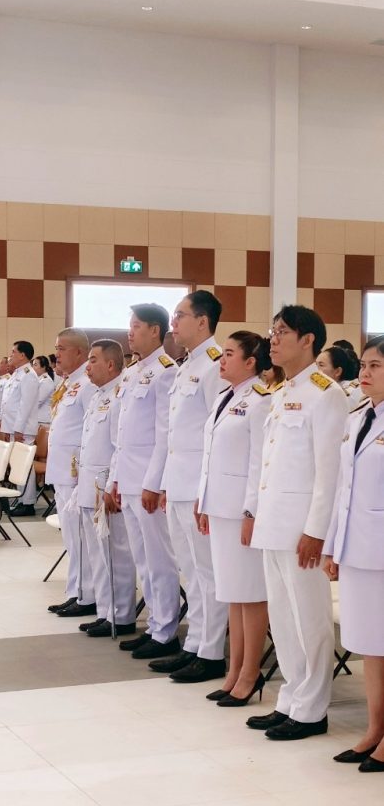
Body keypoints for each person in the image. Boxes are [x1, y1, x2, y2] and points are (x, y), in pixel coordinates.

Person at [247, 305, 348, 741]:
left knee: (310, 619)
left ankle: (312, 709)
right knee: (283, 618)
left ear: (308, 340)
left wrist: (316, 531)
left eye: (283, 332)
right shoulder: (282, 391)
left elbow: (329, 472)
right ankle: (291, 699)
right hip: (274, 522)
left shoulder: (326, 394)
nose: (273, 339)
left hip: (301, 528)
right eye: (272, 331)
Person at [150, 290, 229, 684]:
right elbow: (173, 435)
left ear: (202, 321)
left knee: (207, 572)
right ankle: (194, 644)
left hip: (199, 486)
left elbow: (217, 435)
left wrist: (206, 490)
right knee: (190, 570)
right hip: (179, 483)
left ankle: (211, 652)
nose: (173, 323)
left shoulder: (215, 365)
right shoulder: (186, 365)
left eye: (180, 315)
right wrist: (166, 483)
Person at [197, 331, 270, 706]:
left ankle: (250, 672)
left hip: (242, 511)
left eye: (228, 354)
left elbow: (259, 463)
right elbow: (211, 455)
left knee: (251, 594)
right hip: (220, 507)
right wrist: (203, 498)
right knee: (232, 594)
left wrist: (251, 511)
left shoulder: (260, 400)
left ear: (250, 361)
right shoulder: (225, 396)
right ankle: (234, 670)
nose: (221, 361)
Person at [106, 303, 181, 660]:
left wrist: (154, 483)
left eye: (136, 326)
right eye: (130, 325)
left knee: (159, 559)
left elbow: (164, 434)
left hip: (149, 482)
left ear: (155, 330)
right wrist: (116, 479)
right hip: (129, 479)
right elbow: (122, 435)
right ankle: (153, 625)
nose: (130, 332)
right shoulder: (134, 372)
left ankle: (166, 632)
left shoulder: (166, 372)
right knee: (142, 560)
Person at [324, 335, 384, 773]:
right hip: (358, 547)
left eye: (375, 366)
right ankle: (374, 728)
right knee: (369, 644)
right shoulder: (360, 415)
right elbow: (342, 489)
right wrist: (333, 545)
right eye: (363, 365)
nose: (364, 372)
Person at [76, 339, 137, 637]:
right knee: (99, 556)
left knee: (116, 555)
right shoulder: (97, 395)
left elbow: (118, 447)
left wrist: (112, 486)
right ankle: (105, 611)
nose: (87, 367)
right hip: (90, 484)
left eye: (93, 360)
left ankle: (121, 616)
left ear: (110, 364)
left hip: (107, 488)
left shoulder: (118, 396)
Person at [46, 328, 97, 618]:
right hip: (61, 470)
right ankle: (75, 591)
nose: (57, 354)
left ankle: (87, 595)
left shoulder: (87, 385)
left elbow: (91, 432)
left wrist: (83, 473)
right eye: (56, 348)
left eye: (62, 348)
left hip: (75, 472)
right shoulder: (68, 384)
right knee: (71, 537)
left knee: (80, 537)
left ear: (79, 352)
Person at [0, 341, 39, 516]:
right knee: (17, 464)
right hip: (13, 427)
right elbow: (8, 403)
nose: (11, 354)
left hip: (22, 429)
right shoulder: (17, 374)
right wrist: (7, 428)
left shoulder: (28, 375)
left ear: (23, 355)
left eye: (14, 352)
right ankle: (21, 498)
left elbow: (26, 405)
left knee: (25, 464)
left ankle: (28, 503)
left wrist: (18, 429)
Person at [317, 345, 364, 411]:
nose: (315, 369)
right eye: (315, 364)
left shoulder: (352, 391)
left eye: (321, 365)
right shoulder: (318, 387)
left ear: (337, 371)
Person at [33, 355, 55, 426]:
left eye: (35, 365)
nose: (33, 368)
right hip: (37, 419)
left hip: (42, 420)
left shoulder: (46, 381)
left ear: (43, 367)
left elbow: (38, 401)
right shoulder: (39, 380)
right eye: (33, 365)